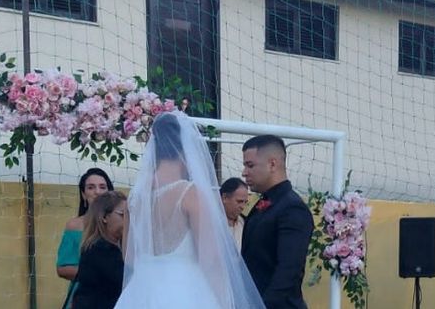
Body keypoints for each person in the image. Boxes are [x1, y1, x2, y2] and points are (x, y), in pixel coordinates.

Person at [115, 112, 264, 309]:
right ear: (185, 150)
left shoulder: (135, 198)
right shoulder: (190, 194)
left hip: (140, 293)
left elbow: (129, 256)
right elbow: (210, 261)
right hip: (185, 292)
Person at [241, 135, 314, 309]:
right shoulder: (264, 203)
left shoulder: (292, 208)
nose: (244, 172)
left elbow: (288, 272)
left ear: (272, 164)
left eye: (250, 165)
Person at [57, 168, 115, 308]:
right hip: (85, 299)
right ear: (83, 194)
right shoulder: (75, 225)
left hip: (117, 296)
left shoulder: (122, 224)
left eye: (103, 187)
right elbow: (63, 268)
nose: (97, 191)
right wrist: (99, 274)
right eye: (91, 187)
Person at [71, 191, 127, 309]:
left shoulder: (108, 247)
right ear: (104, 217)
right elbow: (127, 279)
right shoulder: (100, 249)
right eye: (123, 215)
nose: (128, 220)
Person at [220, 177, 249, 251]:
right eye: (239, 201)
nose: (243, 207)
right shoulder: (210, 223)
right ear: (225, 198)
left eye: (245, 202)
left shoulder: (244, 222)